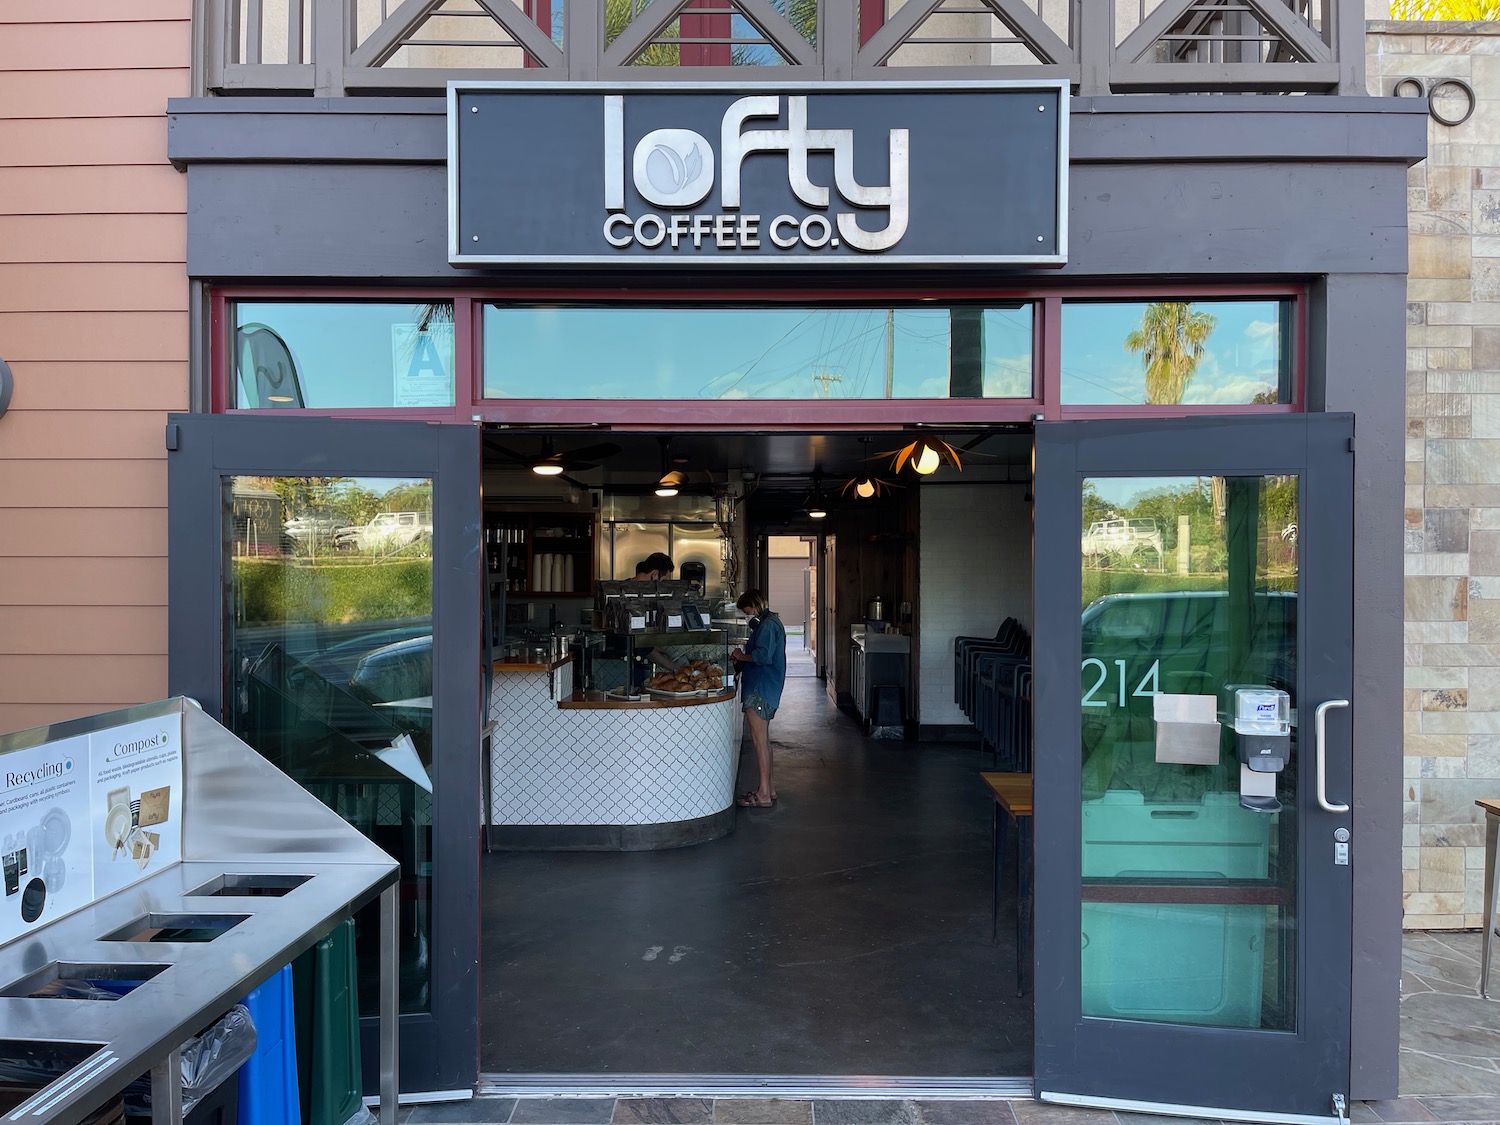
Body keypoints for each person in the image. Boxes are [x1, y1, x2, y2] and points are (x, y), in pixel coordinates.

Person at [730, 588, 786, 808]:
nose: (746, 614)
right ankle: (768, 789)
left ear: (755, 605)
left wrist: (740, 656)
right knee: (764, 740)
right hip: (767, 686)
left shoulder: (766, 626)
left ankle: (763, 795)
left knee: (759, 740)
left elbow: (762, 656)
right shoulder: (773, 622)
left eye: (747, 610)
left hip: (760, 688)